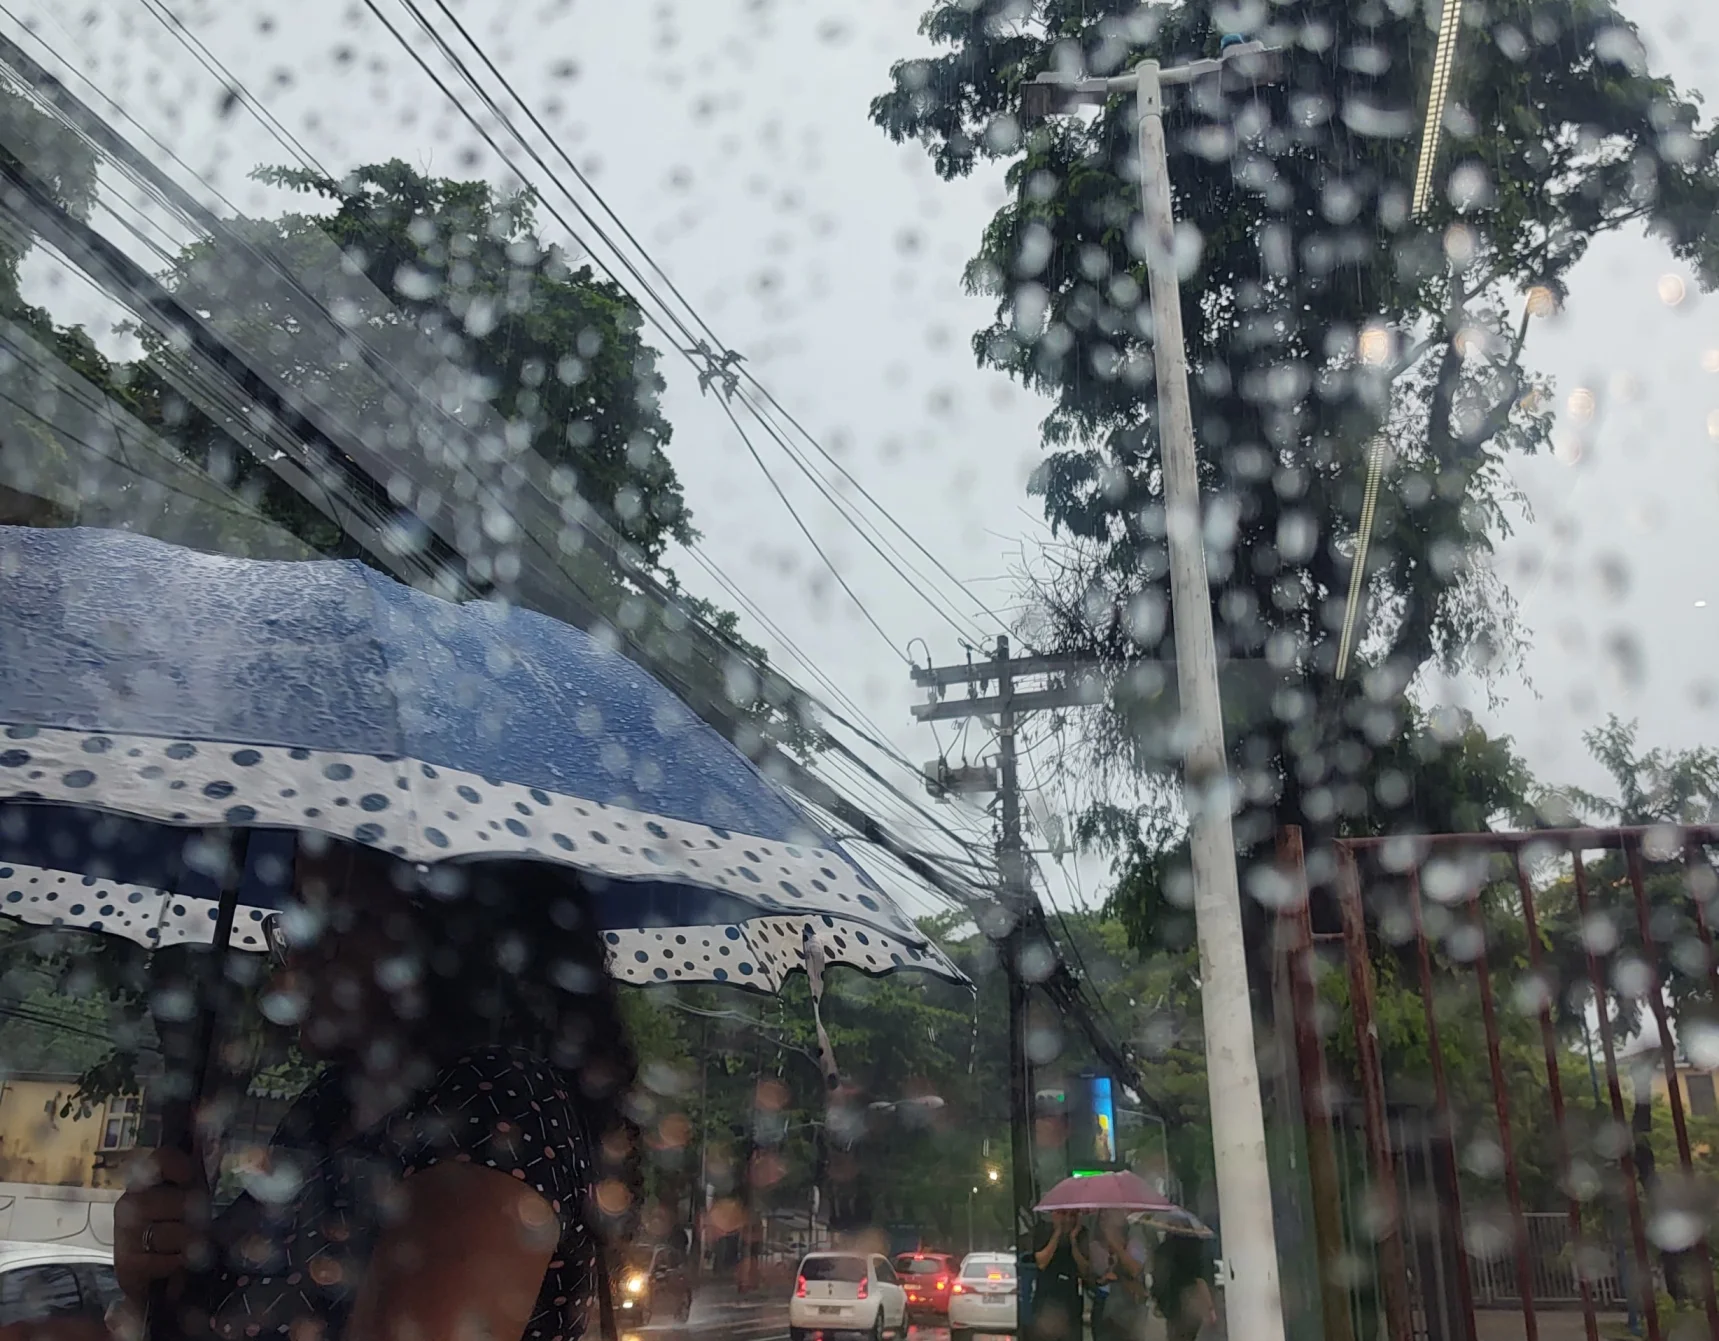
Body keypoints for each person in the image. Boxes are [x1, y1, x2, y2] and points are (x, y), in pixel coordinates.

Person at [111, 842, 641, 1341]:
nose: (289, 966)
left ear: (441, 930)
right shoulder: (328, 1106)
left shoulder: (498, 1103)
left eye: (324, 917)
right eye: (290, 923)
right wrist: (162, 1284)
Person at [1086, 1210, 1149, 1341]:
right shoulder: (1094, 1244)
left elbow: (1135, 1269)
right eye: (1101, 1214)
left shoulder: (1134, 1238)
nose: (1103, 1217)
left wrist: (1116, 1244)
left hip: (1128, 1307)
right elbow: (1091, 1273)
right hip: (1103, 1307)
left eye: (1108, 1212)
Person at [1029, 1210, 1089, 1341]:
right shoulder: (1043, 1230)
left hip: (1070, 1301)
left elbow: (1085, 1269)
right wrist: (1057, 1233)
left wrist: (1073, 1241)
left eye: (1072, 1215)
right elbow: (1041, 1262)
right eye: (1063, 1214)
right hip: (1047, 1299)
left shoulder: (1081, 1234)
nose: (1068, 1219)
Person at [1149, 1230, 1217, 1341]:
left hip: (1170, 1303)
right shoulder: (1195, 1248)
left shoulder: (1162, 1250)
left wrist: (1159, 1300)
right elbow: (1200, 1280)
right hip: (1189, 1303)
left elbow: (1158, 1278)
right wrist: (1210, 1307)